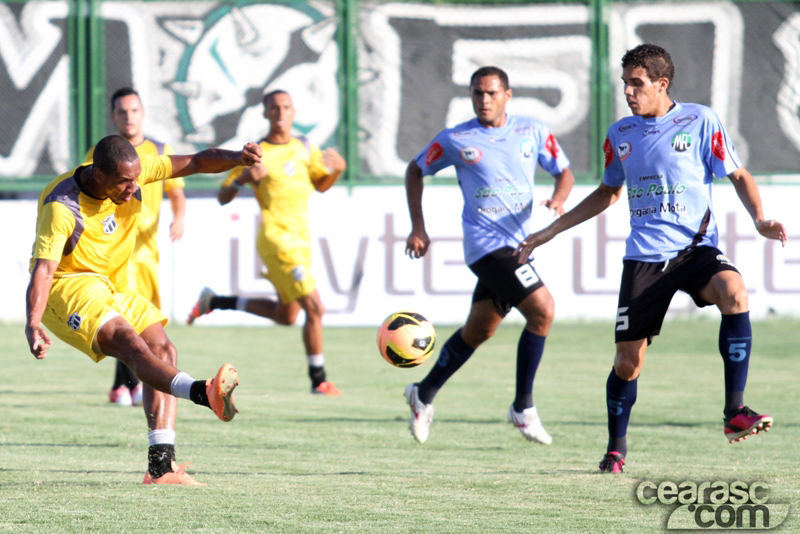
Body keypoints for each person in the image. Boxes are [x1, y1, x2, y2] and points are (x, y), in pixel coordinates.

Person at [515, 44, 787, 473]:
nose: (627, 91)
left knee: (734, 291)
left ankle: (735, 412)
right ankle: (615, 449)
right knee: (628, 362)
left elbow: (738, 174)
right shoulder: (620, 135)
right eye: (625, 83)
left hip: (696, 249)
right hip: (644, 259)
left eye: (636, 83)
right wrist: (551, 230)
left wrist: (759, 220)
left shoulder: (700, 120)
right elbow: (607, 193)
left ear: (662, 84)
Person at [26, 134, 262, 485]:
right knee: (128, 343)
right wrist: (32, 323)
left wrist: (237, 158)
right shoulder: (62, 207)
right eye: (124, 182)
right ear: (98, 174)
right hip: (68, 287)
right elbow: (44, 270)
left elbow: (196, 161)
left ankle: (161, 467)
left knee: (163, 348)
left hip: (110, 285)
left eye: (135, 178)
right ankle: (202, 391)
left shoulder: (135, 170)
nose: (133, 187)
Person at [403, 66, 575, 444]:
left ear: (507, 95)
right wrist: (419, 226)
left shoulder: (533, 131)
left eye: (491, 93)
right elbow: (415, 169)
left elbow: (564, 172)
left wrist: (559, 199)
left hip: (518, 245)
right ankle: (523, 407)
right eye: (478, 93)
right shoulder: (456, 138)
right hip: (485, 245)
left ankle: (423, 392)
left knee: (479, 330)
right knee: (542, 310)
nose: (484, 100)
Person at [186, 89, 346, 396]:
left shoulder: (305, 147)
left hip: (301, 240)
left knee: (287, 316)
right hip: (276, 240)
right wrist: (242, 179)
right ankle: (319, 380)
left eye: (286, 106)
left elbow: (320, 185)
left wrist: (337, 170)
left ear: (294, 111)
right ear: (265, 114)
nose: (281, 112)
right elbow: (222, 197)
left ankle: (216, 302)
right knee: (315, 308)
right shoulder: (257, 152)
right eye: (274, 107)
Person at [84, 87, 186, 408]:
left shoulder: (159, 150)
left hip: (147, 253)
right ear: (113, 116)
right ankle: (125, 386)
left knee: (142, 322)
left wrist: (179, 217)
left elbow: (177, 193)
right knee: (126, 320)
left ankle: (125, 386)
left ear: (142, 113)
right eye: (122, 112)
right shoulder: (99, 155)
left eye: (134, 110)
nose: (129, 117)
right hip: (115, 253)